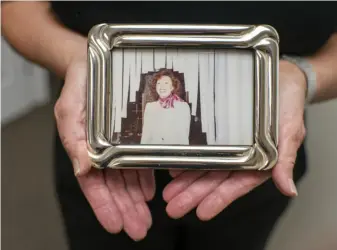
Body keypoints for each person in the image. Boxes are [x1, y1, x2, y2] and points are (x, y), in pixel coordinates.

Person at [2, 2, 337, 250]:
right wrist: (81, 58)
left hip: (253, 156)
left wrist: (303, 76)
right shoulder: (148, 108)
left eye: (167, 87)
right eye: (159, 86)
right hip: (101, 150)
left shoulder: (186, 108)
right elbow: (16, 8)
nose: (163, 91)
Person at [141, 69, 191, 145]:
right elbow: (145, 137)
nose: (162, 86)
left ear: (172, 87)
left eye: (166, 83)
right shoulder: (150, 107)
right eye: (159, 83)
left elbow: (183, 138)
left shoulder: (182, 107)